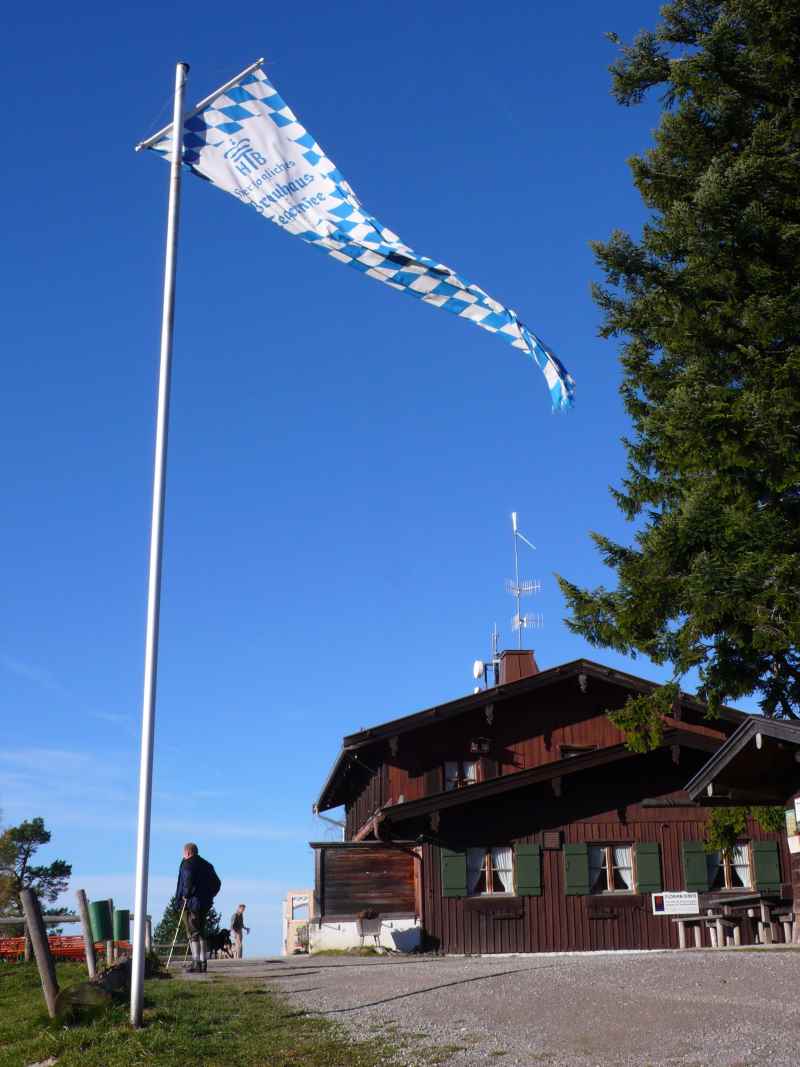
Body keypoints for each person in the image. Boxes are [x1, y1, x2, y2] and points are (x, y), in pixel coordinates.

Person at [176, 842, 221, 973]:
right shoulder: (207, 865)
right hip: (204, 903)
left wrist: (185, 895)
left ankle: (196, 962)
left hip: (191, 903)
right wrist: (210, 895)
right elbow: (217, 883)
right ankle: (203, 962)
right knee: (201, 932)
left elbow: (187, 880)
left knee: (193, 932)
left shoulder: (187, 864)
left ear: (187, 852)